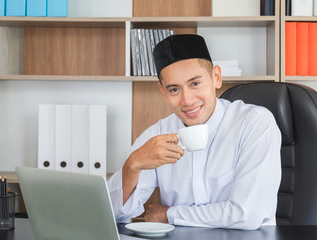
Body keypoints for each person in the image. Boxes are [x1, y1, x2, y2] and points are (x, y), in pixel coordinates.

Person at [108, 34, 281, 230]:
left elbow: (246, 214)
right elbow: (110, 214)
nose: (187, 100)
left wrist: (169, 214)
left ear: (216, 77)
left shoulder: (253, 123)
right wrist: (133, 165)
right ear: (163, 92)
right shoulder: (158, 133)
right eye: (174, 89)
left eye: (195, 84)